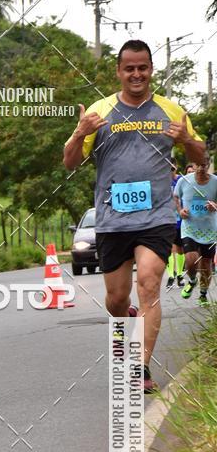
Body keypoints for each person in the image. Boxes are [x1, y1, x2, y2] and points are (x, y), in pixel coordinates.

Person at [63, 39, 206, 393]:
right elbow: (69, 162)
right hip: (112, 220)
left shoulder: (172, 111)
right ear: (119, 71)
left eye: (143, 67)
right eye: (130, 68)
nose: (137, 74)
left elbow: (201, 157)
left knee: (149, 285)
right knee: (115, 299)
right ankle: (126, 320)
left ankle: (139, 367)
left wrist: (186, 140)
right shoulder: (99, 111)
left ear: (151, 70)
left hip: (156, 217)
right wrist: (81, 133)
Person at [174, 154, 217, 305]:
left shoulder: (215, 182)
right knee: (190, 260)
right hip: (189, 228)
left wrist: (215, 206)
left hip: (209, 230)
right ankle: (192, 281)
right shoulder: (184, 181)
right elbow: (176, 197)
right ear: (193, 164)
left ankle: (203, 295)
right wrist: (180, 210)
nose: (200, 169)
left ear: (208, 165)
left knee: (206, 264)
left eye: (203, 165)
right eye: (197, 165)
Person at [166, 163, 188, 289]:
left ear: (176, 167)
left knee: (179, 248)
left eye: (172, 168)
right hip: (167, 220)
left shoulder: (181, 180)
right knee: (168, 248)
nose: (170, 171)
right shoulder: (162, 181)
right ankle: (170, 275)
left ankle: (179, 274)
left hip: (180, 219)